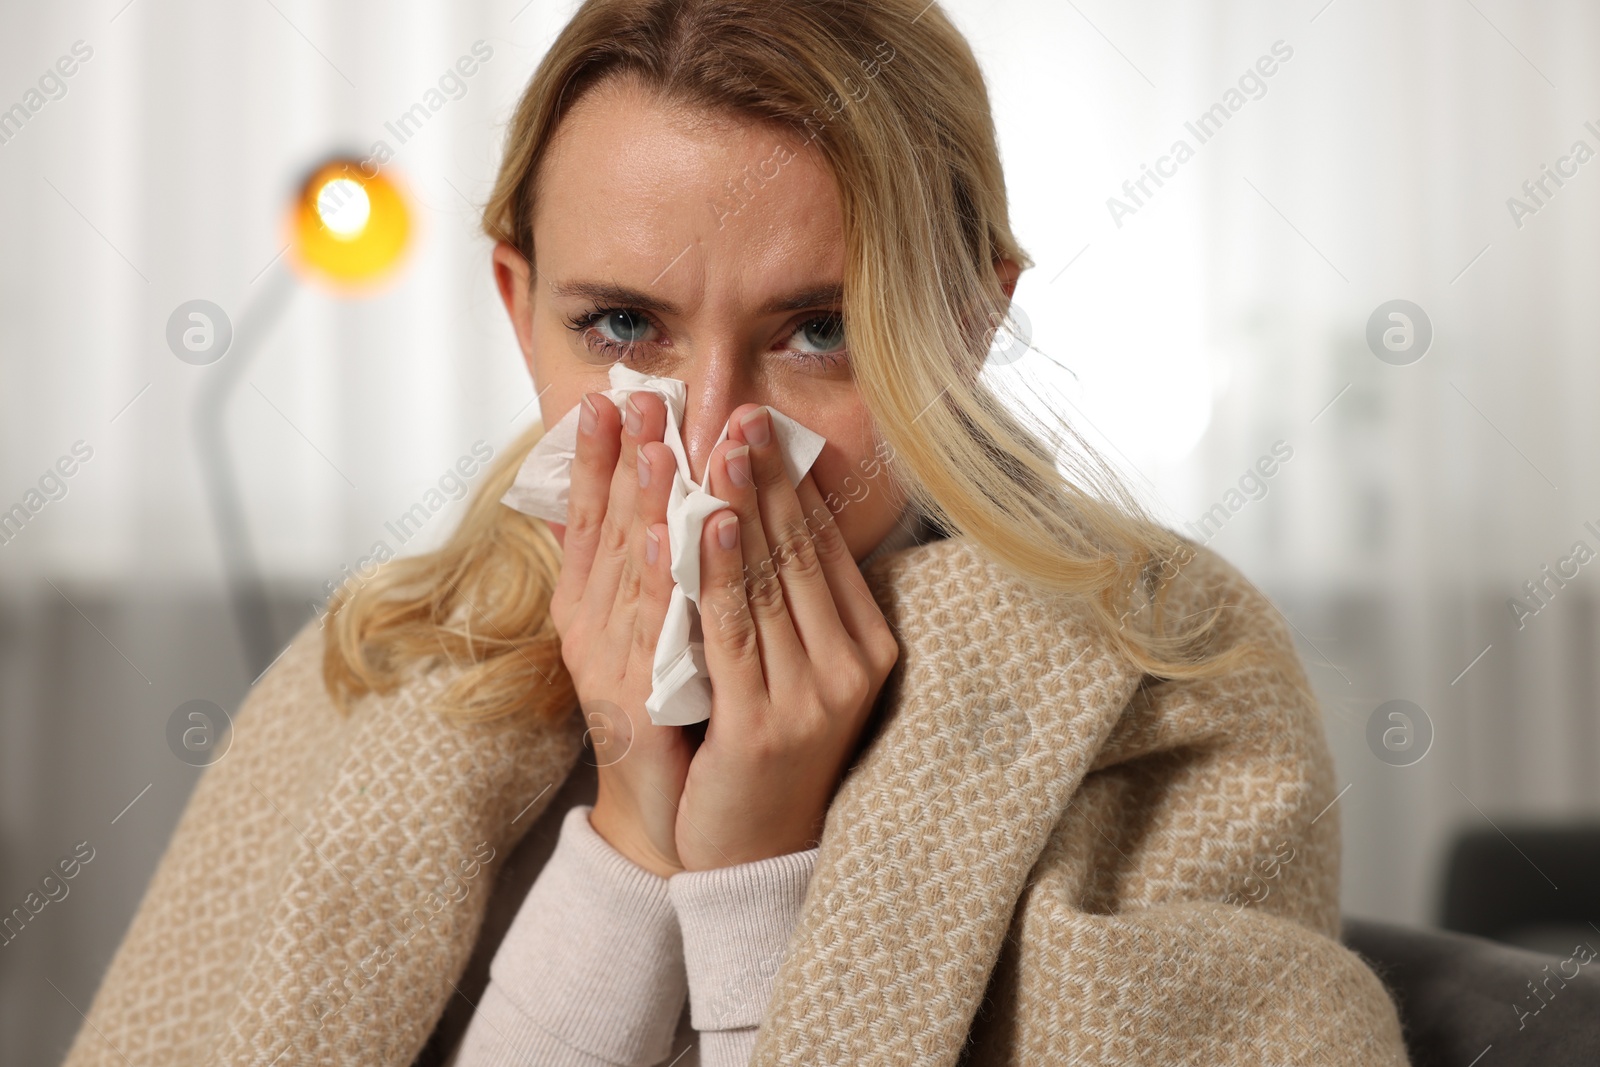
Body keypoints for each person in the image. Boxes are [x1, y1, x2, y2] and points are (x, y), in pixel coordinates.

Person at [63, 1, 1413, 1064]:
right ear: (517, 304)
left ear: (972, 321)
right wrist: (634, 836)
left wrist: (761, 875)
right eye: (623, 329)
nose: (714, 437)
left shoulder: (1166, 684)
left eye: (819, 331)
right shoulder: (388, 667)